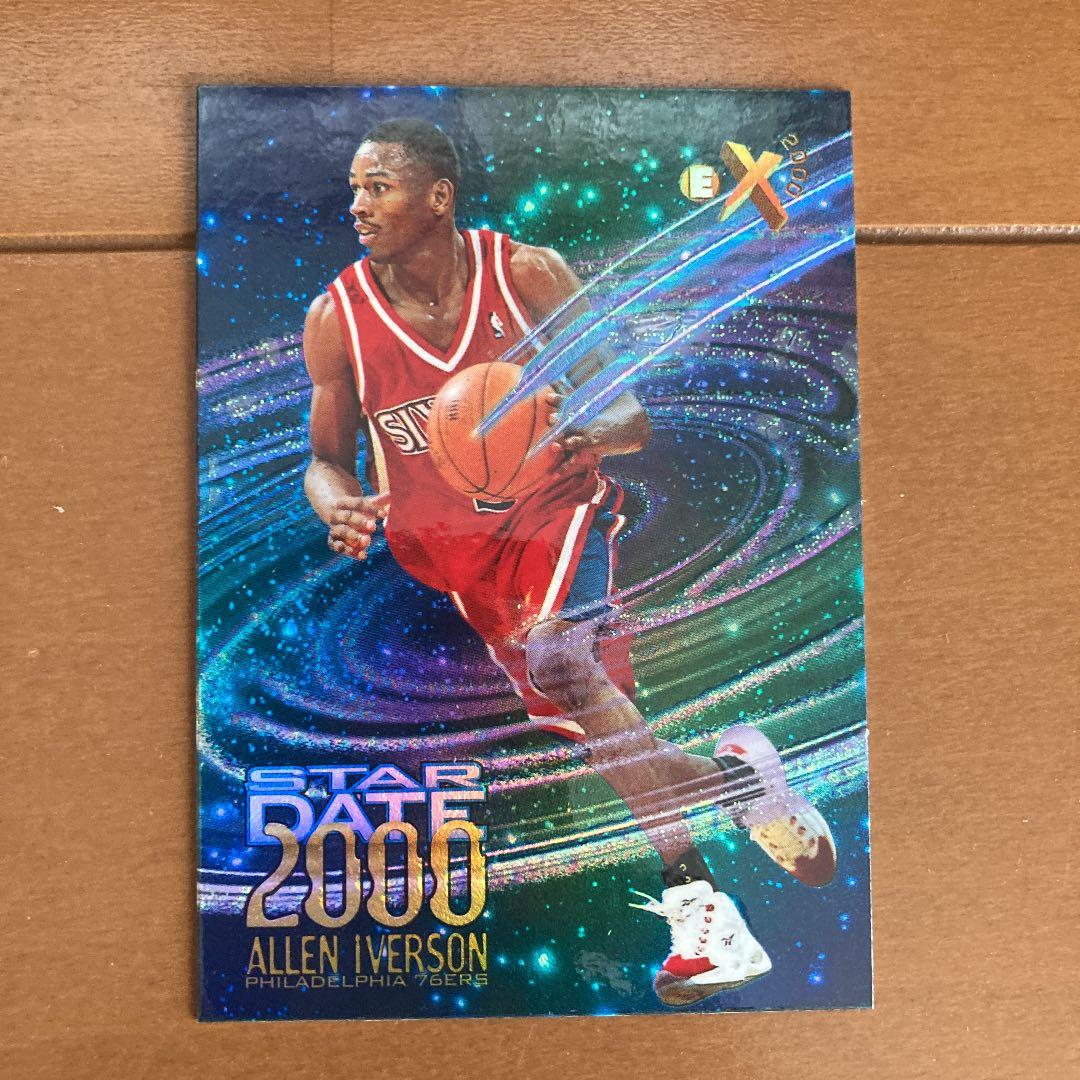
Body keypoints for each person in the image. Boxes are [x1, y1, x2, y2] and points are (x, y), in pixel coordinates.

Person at [302, 118, 836, 1006]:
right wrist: (338, 504)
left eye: (377, 187)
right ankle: (745, 785)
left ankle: (702, 914)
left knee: (562, 661)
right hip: (465, 569)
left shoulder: (526, 274)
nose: (356, 205)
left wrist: (582, 429)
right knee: (611, 738)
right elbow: (325, 460)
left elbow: (630, 413)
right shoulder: (338, 319)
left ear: (438, 197)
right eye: (354, 188)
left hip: (560, 518)